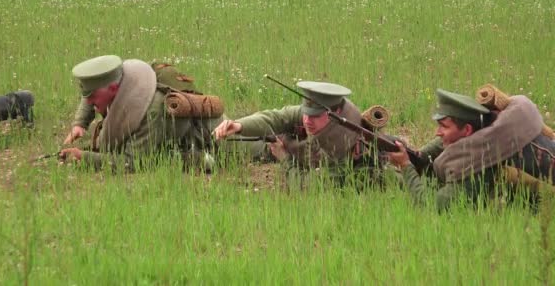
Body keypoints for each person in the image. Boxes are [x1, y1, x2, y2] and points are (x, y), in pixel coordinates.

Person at [388, 88, 555, 211]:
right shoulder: (490, 134)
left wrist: (405, 166)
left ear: (467, 130)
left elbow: (431, 206)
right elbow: (442, 147)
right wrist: (415, 155)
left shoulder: (481, 159)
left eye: (444, 127)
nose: (437, 132)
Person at [59, 55, 229, 172]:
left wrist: (84, 157)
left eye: (93, 97)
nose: (89, 102)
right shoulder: (119, 82)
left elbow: (132, 162)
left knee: (251, 147)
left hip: (220, 138)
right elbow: (89, 92)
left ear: (112, 89)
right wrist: (80, 124)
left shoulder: (150, 111)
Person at [213, 81, 385, 188]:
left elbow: (306, 185)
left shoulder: (340, 146)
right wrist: (239, 125)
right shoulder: (321, 114)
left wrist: (284, 158)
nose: (307, 120)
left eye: (315, 116)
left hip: (284, 153)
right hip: (286, 147)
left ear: (335, 114)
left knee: (227, 147)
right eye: (306, 113)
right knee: (227, 135)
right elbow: (277, 117)